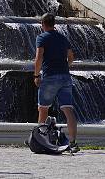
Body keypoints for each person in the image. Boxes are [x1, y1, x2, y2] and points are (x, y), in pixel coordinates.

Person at [34, 12, 80, 153]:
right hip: (65, 77)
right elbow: (71, 56)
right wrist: (67, 66)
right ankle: (72, 143)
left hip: (50, 77)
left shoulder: (42, 37)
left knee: (43, 109)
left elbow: (39, 57)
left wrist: (36, 75)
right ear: (53, 24)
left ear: (43, 24)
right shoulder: (63, 38)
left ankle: (40, 141)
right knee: (68, 110)